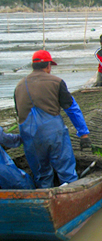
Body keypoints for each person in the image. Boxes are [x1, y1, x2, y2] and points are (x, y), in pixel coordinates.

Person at [14, 50, 90, 189]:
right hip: (53, 133)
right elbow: (72, 109)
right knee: (66, 170)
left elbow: (19, 112)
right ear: (48, 65)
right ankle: (71, 195)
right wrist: (83, 133)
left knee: (42, 175)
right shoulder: (57, 82)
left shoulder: (19, 85)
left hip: (29, 137)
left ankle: (44, 196)